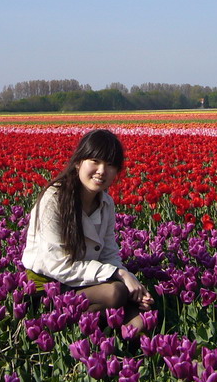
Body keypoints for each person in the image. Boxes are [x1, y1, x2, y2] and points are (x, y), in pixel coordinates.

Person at [22, 129, 154, 329]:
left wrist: (127, 278)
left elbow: (109, 252)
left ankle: (109, 349)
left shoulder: (106, 203)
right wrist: (120, 275)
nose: (102, 170)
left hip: (86, 280)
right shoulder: (54, 199)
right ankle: (52, 322)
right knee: (115, 293)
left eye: (110, 165)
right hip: (50, 285)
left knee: (139, 324)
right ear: (78, 162)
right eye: (95, 161)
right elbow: (58, 266)